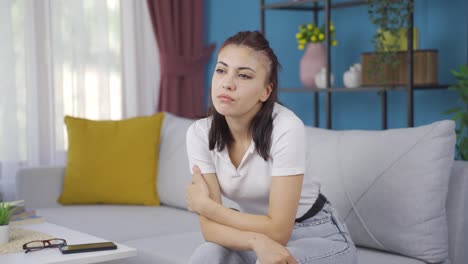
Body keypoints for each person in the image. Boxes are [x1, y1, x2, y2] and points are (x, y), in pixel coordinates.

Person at [185, 31, 357, 264]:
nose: (227, 83)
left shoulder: (286, 127)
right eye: (221, 70)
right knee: (207, 255)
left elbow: (279, 231)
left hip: (317, 234)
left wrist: (206, 207)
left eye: (244, 76)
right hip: (255, 233)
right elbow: (210, 231)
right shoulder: (199, 133)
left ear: (266, 91)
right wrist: (257, 241)